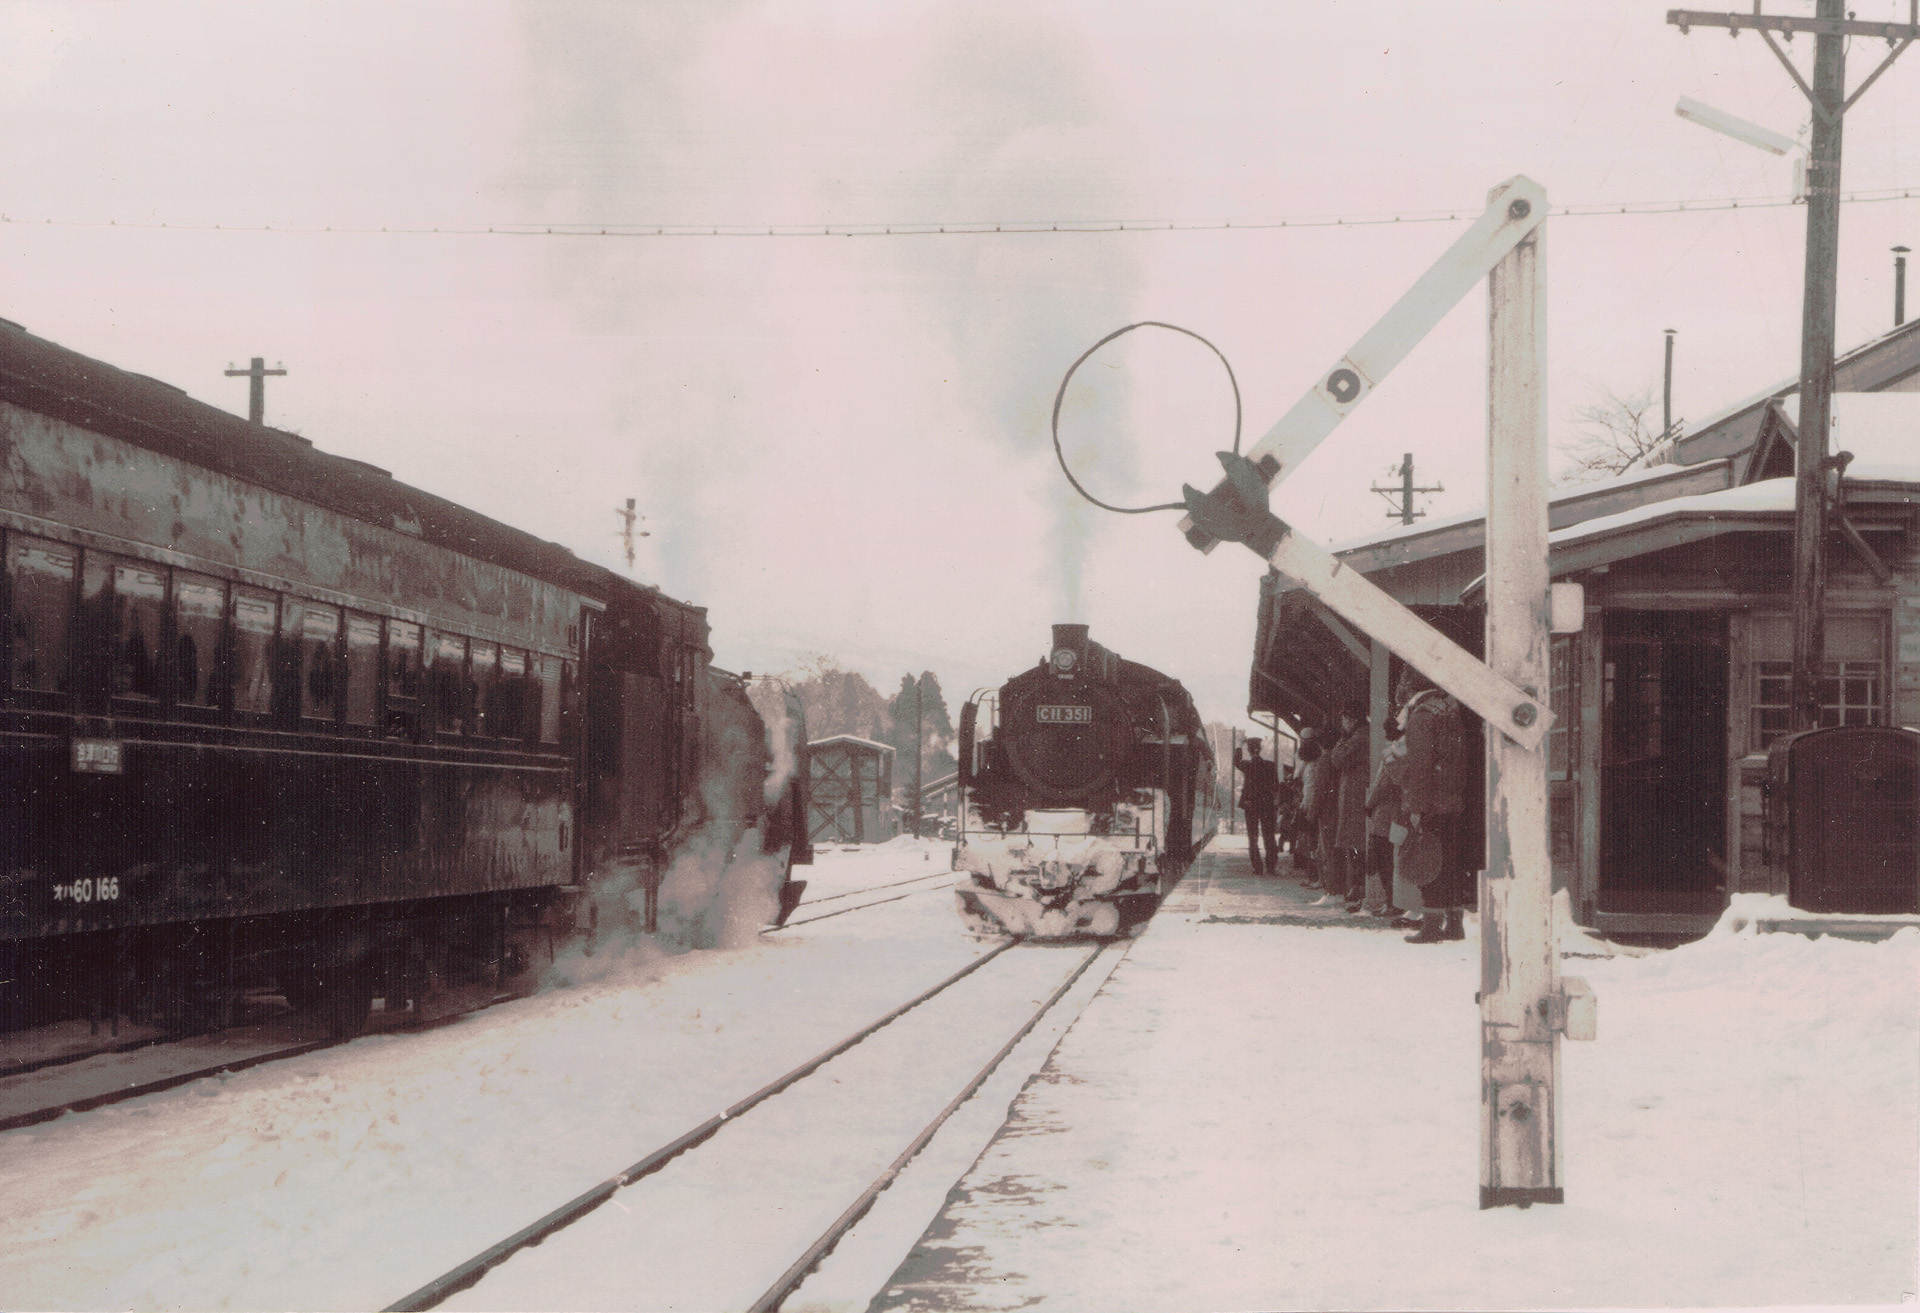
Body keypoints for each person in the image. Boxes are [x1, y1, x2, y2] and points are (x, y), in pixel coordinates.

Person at [1394, 668, 1477, 944]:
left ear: (1409, 687)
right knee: (1451, 863)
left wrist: (1415, 807)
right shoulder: (1449, 711)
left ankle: (1430, 926)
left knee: (1428, 862)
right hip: (1453, 800)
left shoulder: (1422, 716)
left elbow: (1420, 766)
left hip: (1431, 802)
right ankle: (1454, 924)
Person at [1315, 700, 1370, 910]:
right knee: (1354, 845)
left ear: (1351, 719)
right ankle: (1356, 889)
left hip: (1356, 799)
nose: (1343, 724)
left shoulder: (1359, 737)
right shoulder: (1361, 735)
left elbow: (1337, 759)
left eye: (1344, 719)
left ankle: (1357, 890)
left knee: (1356, 845)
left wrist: (1341, 741)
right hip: (1354, 798)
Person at [1235, 736, 1281, 876]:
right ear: (1260, 749)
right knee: (1269, 836)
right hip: (1267, 804)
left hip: (1251, 805)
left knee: (1253, 837)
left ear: (1249, 750)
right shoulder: (1270, 765)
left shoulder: (1247, 765)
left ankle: (1257, 868)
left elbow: (1236, 761)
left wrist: (1239, 745)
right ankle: (1271, 867)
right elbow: (1276, 785)